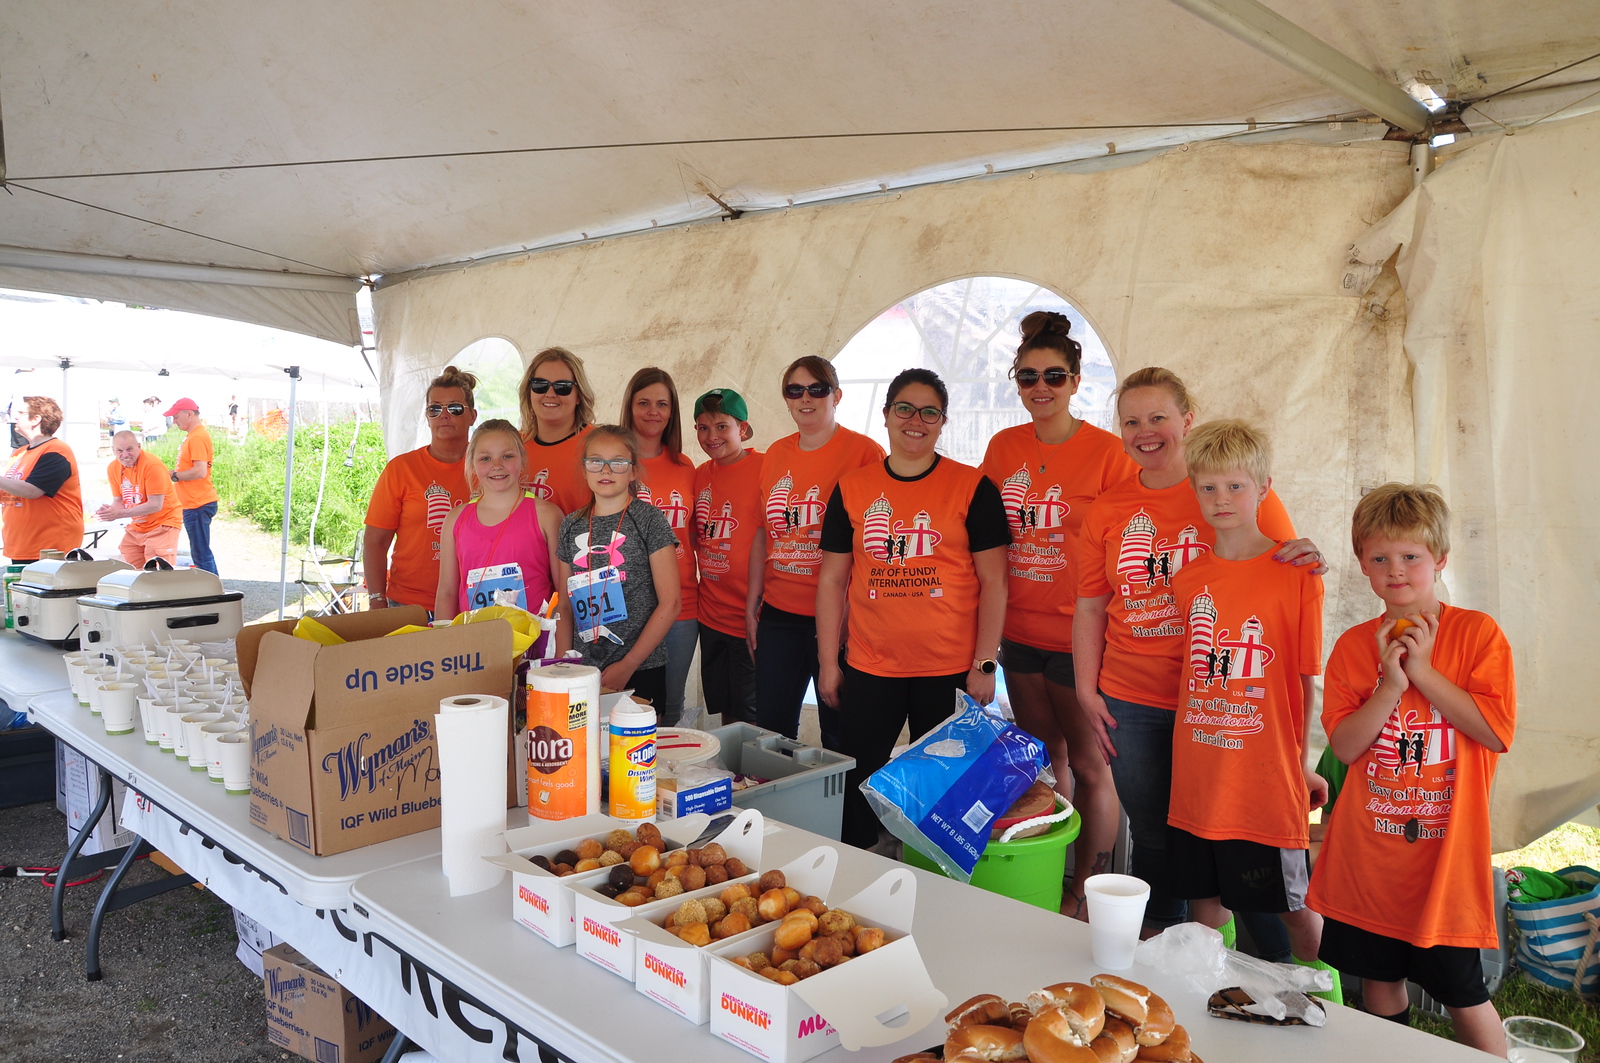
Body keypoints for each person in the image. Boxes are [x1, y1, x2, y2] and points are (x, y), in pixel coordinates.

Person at [1074, 367, 1322, 935]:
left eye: (1158, 417)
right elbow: (1090, 604)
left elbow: (1282, 562)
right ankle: (1168, 943)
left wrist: (1309, 554)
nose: (1146, 431)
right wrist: (1089, 689)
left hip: (1225, 702)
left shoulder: (1229, 481)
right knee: (1160, 833)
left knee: (1236, 832)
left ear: (1187, 419)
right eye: (1131, 421)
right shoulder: (1111, 508)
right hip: (1132, 698)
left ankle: (1266, 955)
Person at [1308, 484, 1514, 1054]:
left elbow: (1495, 731)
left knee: (1462, 992)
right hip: (1368, 861)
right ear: (1362, 566)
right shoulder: (1354, 646)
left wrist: (1422, 671)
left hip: (1444, 864)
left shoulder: (1477, 635)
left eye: (1410, 557)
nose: (1395, 570)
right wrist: (1391, 683)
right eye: (1379, 559)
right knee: (1380, 980)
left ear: (1440, 560)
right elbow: (1347, 747)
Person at [1166, 420, 1338, 997]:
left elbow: (1304, 683)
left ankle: (1329, 1003)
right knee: (1204, 907)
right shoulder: (1188, 578)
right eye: (1209, 488)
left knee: (1291, 909)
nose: (1221, 500)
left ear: (1264, 486)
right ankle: (1210, 1006)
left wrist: (1300, 764)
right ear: (1193, 489)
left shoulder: (1296, 574)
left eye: (1235, 487)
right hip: (1198, 775)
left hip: (1264, 782)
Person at [980, 311, 1136, 919]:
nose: (1039, 387)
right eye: (1027, 377)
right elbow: (987, 537)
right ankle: (1055, 867)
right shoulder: (1004, 447)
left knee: (1093, 765)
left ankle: (1086, 891)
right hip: (1020, 632)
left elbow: (1134, 536)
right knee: (1047, 756)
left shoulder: (1107, 452)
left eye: (1053, 376)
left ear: (1075, 382)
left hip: (1082, 640)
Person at [816, 368, 1011, 850]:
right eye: (905, 408)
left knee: (943, 795)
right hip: (870, 666)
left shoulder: (972, 487)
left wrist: (985, 664)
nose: (915, 420)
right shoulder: (853, 488)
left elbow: (996, 581)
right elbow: (833, 579)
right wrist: (827, 665)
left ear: (943, 421)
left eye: (930, 412)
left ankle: (932, 880)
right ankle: (859, 868)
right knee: (859, 785)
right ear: (886, 415)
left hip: (948, 671)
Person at [749, 356, 884, 751]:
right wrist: (753, 603)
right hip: (779, 613)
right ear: (786, 400)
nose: (805, 398)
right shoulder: (775, 454)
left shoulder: (864, 452)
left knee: (839, 731)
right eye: (795, 390)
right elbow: (763, 532)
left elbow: (873, 545)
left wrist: (848, 615)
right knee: (770, 730)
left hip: (841, 615)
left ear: (836, 395)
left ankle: (838, 812)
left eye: (816, 389)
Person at [554, 426, 681, 708]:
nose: (606, 470)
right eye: (596, 461)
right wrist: (566, 664)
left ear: (633, 471)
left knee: (635, 749)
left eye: (618, 462)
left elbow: (671, 603)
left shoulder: (650, 520)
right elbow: (564, 605)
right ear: (585, 469)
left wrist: (628, 664)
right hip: (583, 670)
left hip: (641, 667)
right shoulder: (570, 525)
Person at [619, 368, 699, 727]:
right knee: (630, 704)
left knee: (672, 701)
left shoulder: (685, 467)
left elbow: (696, 537)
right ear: (630, 407)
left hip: (681, 605)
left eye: (662, 404)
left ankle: (665, 776)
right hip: (629, 605)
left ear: (672, 412)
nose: (653, 412)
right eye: (644, 403)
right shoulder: (616, 465)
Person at [364, 367, 479, 612]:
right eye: (434, 408)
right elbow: (375, 541)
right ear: (427, 417)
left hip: (474, 604)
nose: (444, 415)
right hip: (409, 605)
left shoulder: (489, 467)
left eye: (455, 408)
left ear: (473, 416)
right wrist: (376, 598)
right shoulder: (401, 469)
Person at [434, 420, 562, 622]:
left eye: (507, 456)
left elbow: (563, 592)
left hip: (536, 644)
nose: (497, 466)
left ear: (522, 458)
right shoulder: (456, 519)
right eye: (485, 458)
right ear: (472, 464)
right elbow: (446, 592)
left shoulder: (547, 515)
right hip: (475, 645)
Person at [691, 389, 764, 725]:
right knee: (724, 705)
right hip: (711, 614)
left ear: (743, 430)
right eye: (703, 428)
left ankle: (754, 775)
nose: (712, 436)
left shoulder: (765, 467)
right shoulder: (700, 474)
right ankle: (735, 775)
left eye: (722, 427)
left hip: (749, 617)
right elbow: (696, 533)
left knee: (753, 711)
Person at [0, 396, 84, 562]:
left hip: (50, 546)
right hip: (21, 544)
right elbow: (6, 492)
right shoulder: (20, 453)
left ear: (36, 419)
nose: (15, 417)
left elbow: (32, 490)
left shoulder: (56, 451)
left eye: (21, 413)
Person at [519, 347, 596, 514]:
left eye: (563, 387)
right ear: (529, 391)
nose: (550, 393)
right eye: (540, 385)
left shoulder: (599, 446)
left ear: (579, 395)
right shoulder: (511, 447)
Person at [96, 431, 182, 566]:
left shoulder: (152, 466)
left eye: (129, 449)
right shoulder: (113, 468)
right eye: (120, 450)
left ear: (139, 446)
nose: (125, 455)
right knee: (126, 563)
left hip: (163, 522)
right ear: (113, 451)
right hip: (138, 526)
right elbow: (119, 501)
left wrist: (119, 514)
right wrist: (109, 511)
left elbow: (155, 505)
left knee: (157, 571)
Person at [166, 398, 220, 575]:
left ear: (188, 413)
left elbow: (199, 471)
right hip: (194, 502)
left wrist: (174, 475)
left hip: (197, 503)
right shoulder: (194, 435)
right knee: (200, 552)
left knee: (201, 554)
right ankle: (212, 592)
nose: (174, 421)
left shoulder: (197, 436)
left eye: (176, 416)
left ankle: (212, 593)